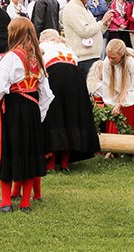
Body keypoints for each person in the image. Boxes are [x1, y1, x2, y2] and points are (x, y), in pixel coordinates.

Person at [0, 17, 54, 212]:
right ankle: (26, 202)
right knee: (29, 151)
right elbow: (47, 93)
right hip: (33, 107)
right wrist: (39, 114)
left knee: (9, 150)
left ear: (14, 33)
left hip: (15, 106)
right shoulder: (37, 58)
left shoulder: (11, 57)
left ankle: (6, 202)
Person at [38, 29, 99, 171]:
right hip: (75, 80)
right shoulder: (67, 47)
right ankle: (65, 164)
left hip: (54, 76)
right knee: (71, 119)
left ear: (44, 39)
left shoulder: (44, 47)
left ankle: (51, 163)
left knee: (54, 119)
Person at [61, 0, 111, 77]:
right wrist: (101, 22)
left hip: (91, 57)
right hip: (83, 59)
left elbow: (95, 31)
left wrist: (105, 24)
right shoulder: (72, 8)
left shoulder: (83, 7)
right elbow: (84, 31)